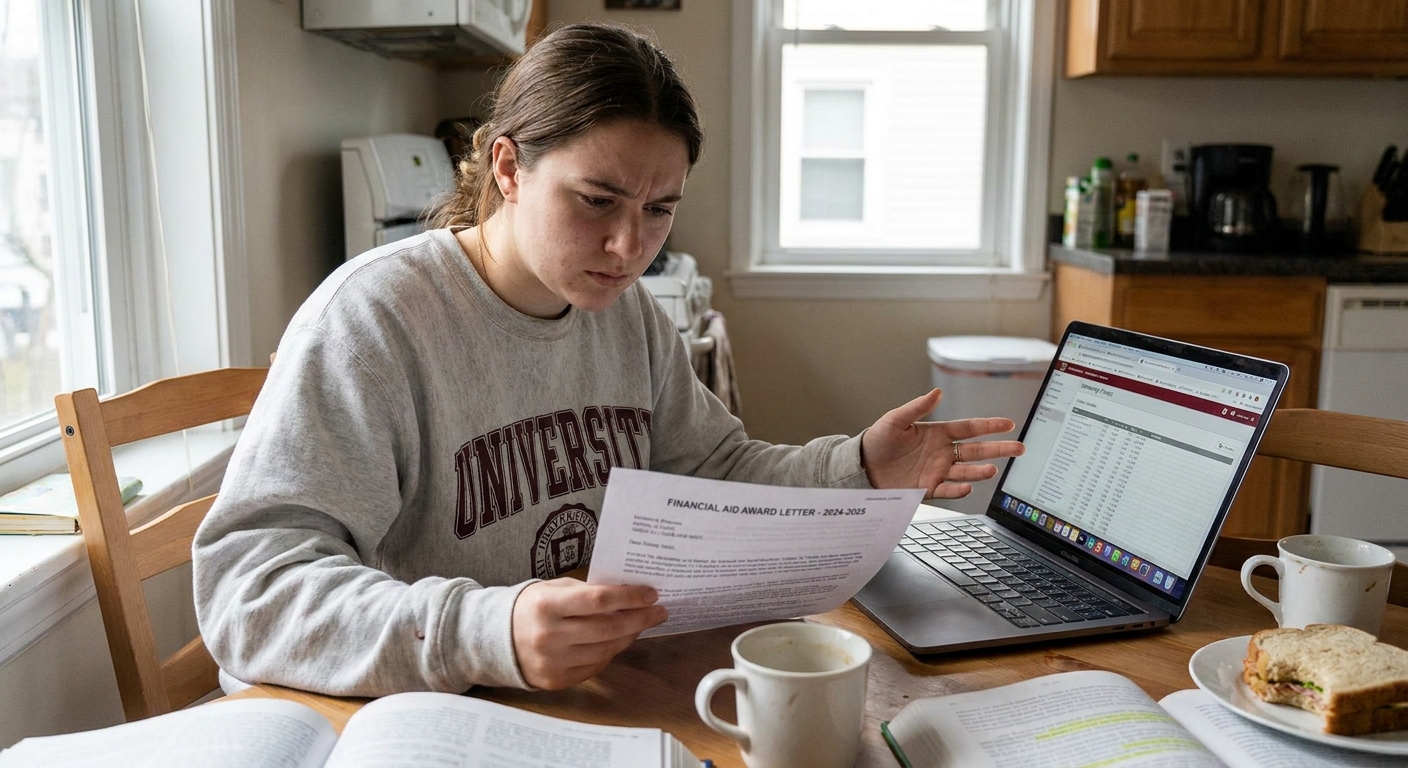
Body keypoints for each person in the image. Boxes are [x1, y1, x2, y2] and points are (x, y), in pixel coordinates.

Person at [192, 23, 1023, 697]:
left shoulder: (625, 318)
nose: (630, 247)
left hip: (587, 698)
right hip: (420, 715)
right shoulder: (374, 320)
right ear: (510, 167)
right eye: (596, 202)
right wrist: (490, 630)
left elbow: (713, 471)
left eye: (660, 210)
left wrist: (856, 468)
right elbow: (248, 590)